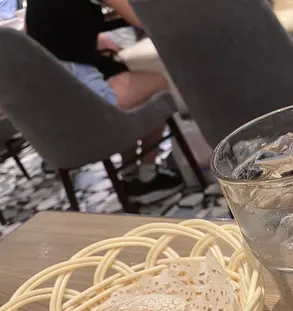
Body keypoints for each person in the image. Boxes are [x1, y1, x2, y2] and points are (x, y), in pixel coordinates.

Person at [25, 0, 184, 204]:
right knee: (158, 85)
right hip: (81, 96)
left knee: (120, 72)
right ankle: (148, 176)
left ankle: (129, 172)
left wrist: (92, 36)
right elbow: (143, 18)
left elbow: (34, 35)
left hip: (48, 104)